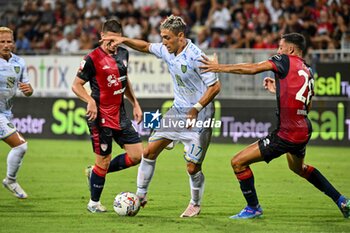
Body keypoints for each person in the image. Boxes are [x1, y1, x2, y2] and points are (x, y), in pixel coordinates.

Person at [199, 32, 350, 219]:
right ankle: (342, 200)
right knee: (298, 168)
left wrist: (218, 68)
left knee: (238, 162)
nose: (277, 50)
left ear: (291, 49)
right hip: (304, 129)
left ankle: (253, 207)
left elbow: (253, 68)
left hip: (287, 134)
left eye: (280, 47)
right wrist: (279, 90)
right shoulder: (308, 70)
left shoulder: (284, 60)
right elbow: (306, 105)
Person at [102, 15, 221, 217]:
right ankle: (140, 196)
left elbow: (215, 87)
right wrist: (125, 41)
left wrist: (196, 108)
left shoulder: (196, 56)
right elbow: (146, 46)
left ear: (180, 36)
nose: (164, 42)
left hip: (199, 115)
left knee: (192, 167)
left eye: (167, 38)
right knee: (149, 152)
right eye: (163, 37)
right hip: (178, 111)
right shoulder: (168, 51)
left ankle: (195, 203)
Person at [71, 19, 143, 213]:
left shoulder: (124, 53)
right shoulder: (91, 59)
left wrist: (135, 103)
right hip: (100, 115)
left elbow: (124, 80)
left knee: (137, 155)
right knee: (103, 159)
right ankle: (93, 203)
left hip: (119, 114)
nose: (113, 44)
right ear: (102, 36)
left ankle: (94, 173)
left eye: (116, 40)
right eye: (109, 40)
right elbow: (76, 85)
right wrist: (90, 100)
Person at [0, 26, 33, 199]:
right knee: (20, 145)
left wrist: (28, 90)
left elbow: (27, 90)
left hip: (5, 113)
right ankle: (11, 180)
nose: (6, 45)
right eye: (2, 42)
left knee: (20, 147)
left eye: (9, 41)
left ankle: (10, 180)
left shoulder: (19, 62)